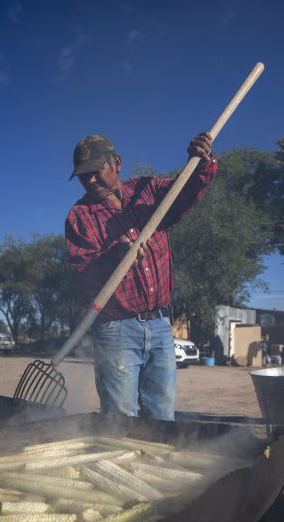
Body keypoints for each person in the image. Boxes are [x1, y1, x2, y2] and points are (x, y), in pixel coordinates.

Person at [64, 132, 216, 421]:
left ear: (116, 163)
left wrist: (199, 162)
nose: (90, 180)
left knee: (162, 415)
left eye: (95, 172)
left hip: (160, 323)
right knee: (119, 420)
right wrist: (113, 256)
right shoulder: (79, 217)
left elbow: (185, 193)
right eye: (83, 176)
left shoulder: (149, 191)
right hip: (115, 329)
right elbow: (82, 272)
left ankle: (155, 465)